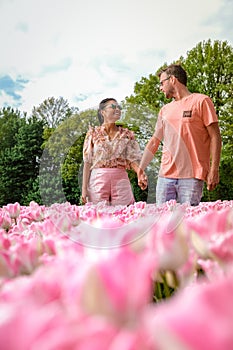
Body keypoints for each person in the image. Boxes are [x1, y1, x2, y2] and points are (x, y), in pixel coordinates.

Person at [137, 64, 222, 206]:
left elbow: (215, 137)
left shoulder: (201, 101)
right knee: (163, 223)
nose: (160, 87)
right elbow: (154, 141)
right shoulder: (165, 110)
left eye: (162, 83)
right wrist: (140, 168)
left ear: (173, 79)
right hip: (165, 177)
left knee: (187, 223)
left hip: (192, 177)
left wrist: (214, 169)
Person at [82, 98, 145, 206]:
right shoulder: (93, 133)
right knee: (98, 215)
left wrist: (140, 173)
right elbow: (87, 162)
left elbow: (132, 159)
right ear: (103, 112)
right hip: (98, 180)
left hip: (121, 180)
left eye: (119, 107)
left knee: (123, 214)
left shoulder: (126, 134)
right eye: (113, 107)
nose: (117, 109)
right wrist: (84, 189)